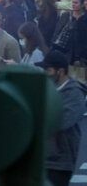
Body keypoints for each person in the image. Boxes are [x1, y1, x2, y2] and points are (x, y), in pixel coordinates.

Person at [38, 50, 86, 186]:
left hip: (60, 161)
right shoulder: (47, 89)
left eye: (48, 70)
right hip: (42, 157)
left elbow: (60, 122)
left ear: (60, 71)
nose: (45, 73)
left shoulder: (75, 93)